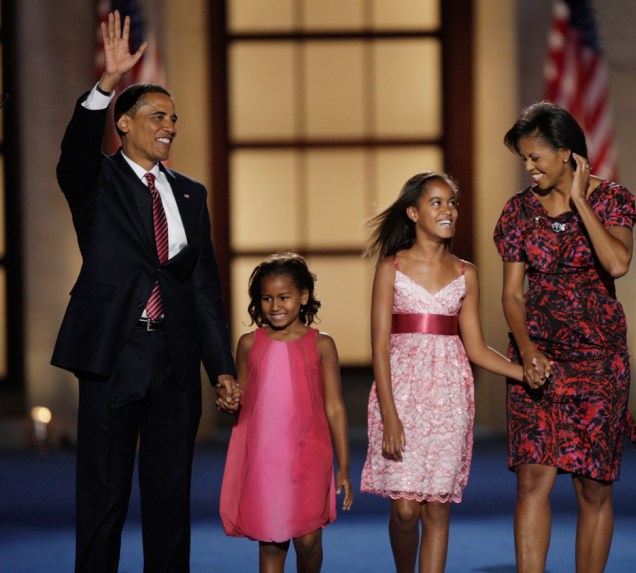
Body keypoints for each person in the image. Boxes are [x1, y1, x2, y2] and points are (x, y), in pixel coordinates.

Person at [51, 12, 239, 573]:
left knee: (169, 501)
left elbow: (204, 287)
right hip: (115, 354)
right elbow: (74, 153)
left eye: (174, 119)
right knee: (104, 499)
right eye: (158, 116)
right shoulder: (96, 181)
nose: (170, 126)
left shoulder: (191, 194)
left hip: (175, 364)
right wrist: (106, 84)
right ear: (125, 124)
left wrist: (220, 367)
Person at [493, 101, 636, 573]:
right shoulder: (518, 211)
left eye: (535, 156)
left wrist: (581, 200)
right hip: (537, 360)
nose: (528, 167)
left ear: (566, 153)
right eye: (523, 158)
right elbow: (512, 295)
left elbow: (617, 263)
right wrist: (529, 348)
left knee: (593, 485)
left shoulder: (612, 199)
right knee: (532, 479)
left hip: (599, 363)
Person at [360, 171, 526, 573]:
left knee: (436, 508)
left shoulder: (466, 273)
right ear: (413, 213)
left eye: (452, 202)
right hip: (399, 393)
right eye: (437, 202)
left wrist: (522, 373)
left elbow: (476, 348)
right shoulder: (390, 268)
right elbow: (379, 346)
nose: (448, 210)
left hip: (449, 395)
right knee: (404, 511)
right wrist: (391, 415)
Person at [219, 252, 353, 573]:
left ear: (304, 296)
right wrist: (228, 401)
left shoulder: (322, 345)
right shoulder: (249, 344)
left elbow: (334, 407)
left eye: (284, 297)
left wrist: (344, 465)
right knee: (272, 542)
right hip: (265, 459)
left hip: (310, 454)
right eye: (266, 298)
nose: (275, 306)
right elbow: (242, 400)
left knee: (308, 542)